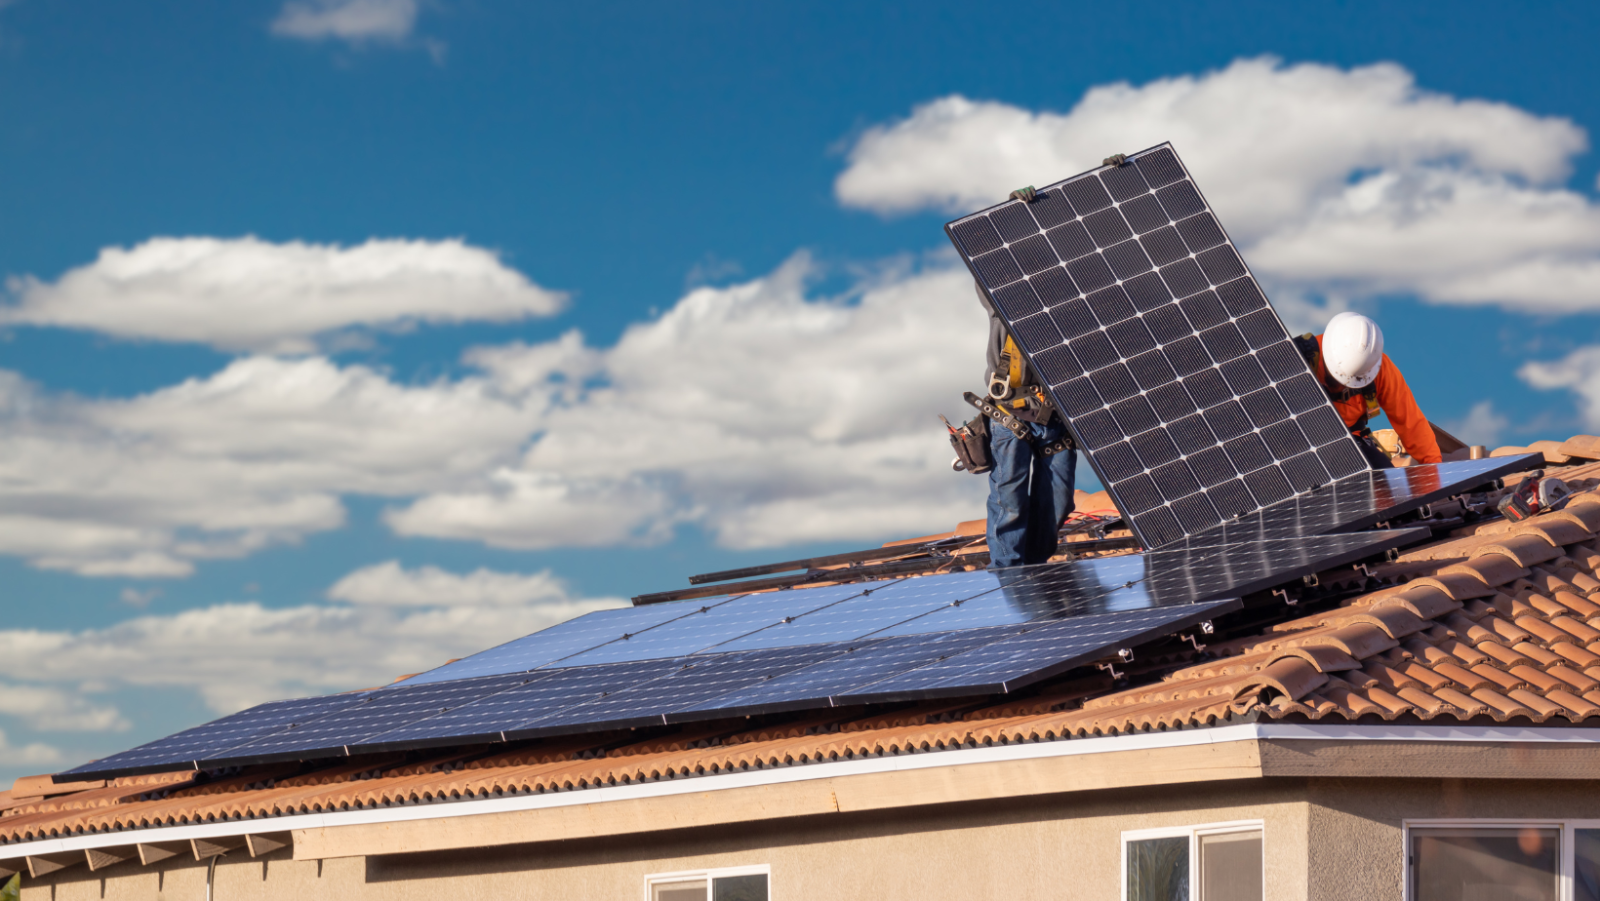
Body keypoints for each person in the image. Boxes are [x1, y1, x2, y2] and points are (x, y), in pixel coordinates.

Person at [976, 282, 1078, 567]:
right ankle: (1009, 575)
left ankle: (1033, 569)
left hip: (1056, 419)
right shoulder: (1004, 303)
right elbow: (988, 275)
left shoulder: (1071, 308)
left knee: (1059, 503)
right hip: (1011, 416)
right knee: (1010, 503)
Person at [1296, 312, 1441, 468]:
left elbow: (1411, 422)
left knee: (1384, 484)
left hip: (1350, 444)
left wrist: (1435, 469)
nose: (1344, 387)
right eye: (1339, 379)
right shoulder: (1293, 360)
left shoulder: (1379, 369)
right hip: (1296, 443)